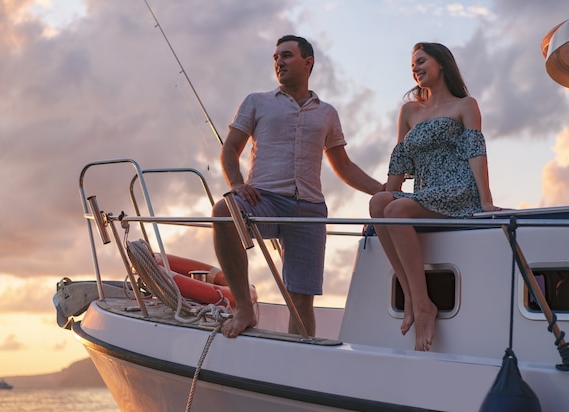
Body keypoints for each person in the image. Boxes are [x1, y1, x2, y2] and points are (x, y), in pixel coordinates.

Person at [212, 35, 382, 339]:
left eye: (286, 56)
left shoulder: (327, 113)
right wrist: (237, 184)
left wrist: (383, 191)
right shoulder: (256, 102)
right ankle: (244, 309)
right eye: (276, 57)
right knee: (224, 211)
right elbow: (229, 151)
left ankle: (299, 361)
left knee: (302, 305)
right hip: (262, 199)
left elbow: (343, 166)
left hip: (309, 209)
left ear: (308, 62)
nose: (279, 62)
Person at [369, 42, 500, 352]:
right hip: (425, 191)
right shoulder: (409, 111)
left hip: (457, 189)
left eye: (421, 61)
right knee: (379, 203)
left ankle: (423, 303)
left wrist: (486, 202)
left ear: (441, 64)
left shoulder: (465, 104)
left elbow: (475, 153)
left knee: (398, 209)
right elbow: (399, 162)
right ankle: (413, 296)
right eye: (412, 65)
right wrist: (376, 215)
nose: (415, 68)